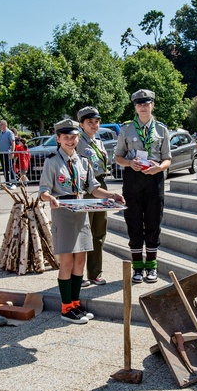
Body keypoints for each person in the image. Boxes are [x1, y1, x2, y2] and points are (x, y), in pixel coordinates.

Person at [38, 119, 124, 324]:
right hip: (64, 213)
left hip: (82, 212)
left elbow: (93, 188)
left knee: (80, 261)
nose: (70, 140)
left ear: (78, 138)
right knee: (67, 262)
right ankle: (66, 307)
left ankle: (75, 304)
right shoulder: (52, 161)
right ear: (58, 138)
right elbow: (43, 191)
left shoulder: (83, 161)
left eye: (73, 137)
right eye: (66, 137)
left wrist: (111, 195)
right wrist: (49, 198)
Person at [114, 89, 171, 284]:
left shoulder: (162, 129)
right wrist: (129, 163)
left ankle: (152, 267)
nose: (143, 107)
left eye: (146, 103)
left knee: (154, 224)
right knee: (134, 224)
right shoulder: (126, 129)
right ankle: (137, 267)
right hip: (133, 179)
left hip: (154, 181)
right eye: (139, 104)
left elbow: (167, 159)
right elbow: (118, 157)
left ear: (152, 104)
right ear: (135, 107)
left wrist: (159, 168)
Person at [77, 106, 111, 286]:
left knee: (98, 231)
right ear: (81, 124)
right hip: (84, 188)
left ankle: (95, 273)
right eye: (89, 122)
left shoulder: (97, 141)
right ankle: (78, 274)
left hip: (100, 184)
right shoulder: (77, 142)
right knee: (82, 232)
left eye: (96, 121)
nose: (94, 125)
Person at [0, 119, 16, 187]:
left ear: (5, 125)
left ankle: (14, 183)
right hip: (1, 153)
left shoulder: (9, 133)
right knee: (4, 169)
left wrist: (12, 152)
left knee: (10, 168)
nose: (0, 126)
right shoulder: (1, 133)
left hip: (7, 153)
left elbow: (13, 142)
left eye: (1, 124)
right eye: (0, 124)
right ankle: (7, 183)